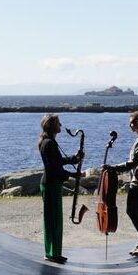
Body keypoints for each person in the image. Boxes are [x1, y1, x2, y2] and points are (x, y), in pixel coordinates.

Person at [104, 111, 138, 256]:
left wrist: (114, 168)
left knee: (131, 210)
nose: (130, 125)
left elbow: (133, 163)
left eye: (132, 122)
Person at [38, 113, 83, 264]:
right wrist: (73, 175)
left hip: (51, 183)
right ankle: (52, 254)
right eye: (58, 123)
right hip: (51, 184)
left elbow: (57, 162)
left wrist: (73, 158)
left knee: (53, 219)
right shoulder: (49, 143)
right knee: (53, 220)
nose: (61, 126)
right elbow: (54, 169)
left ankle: (54, 252)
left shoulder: (48, 142)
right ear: (52, 126)